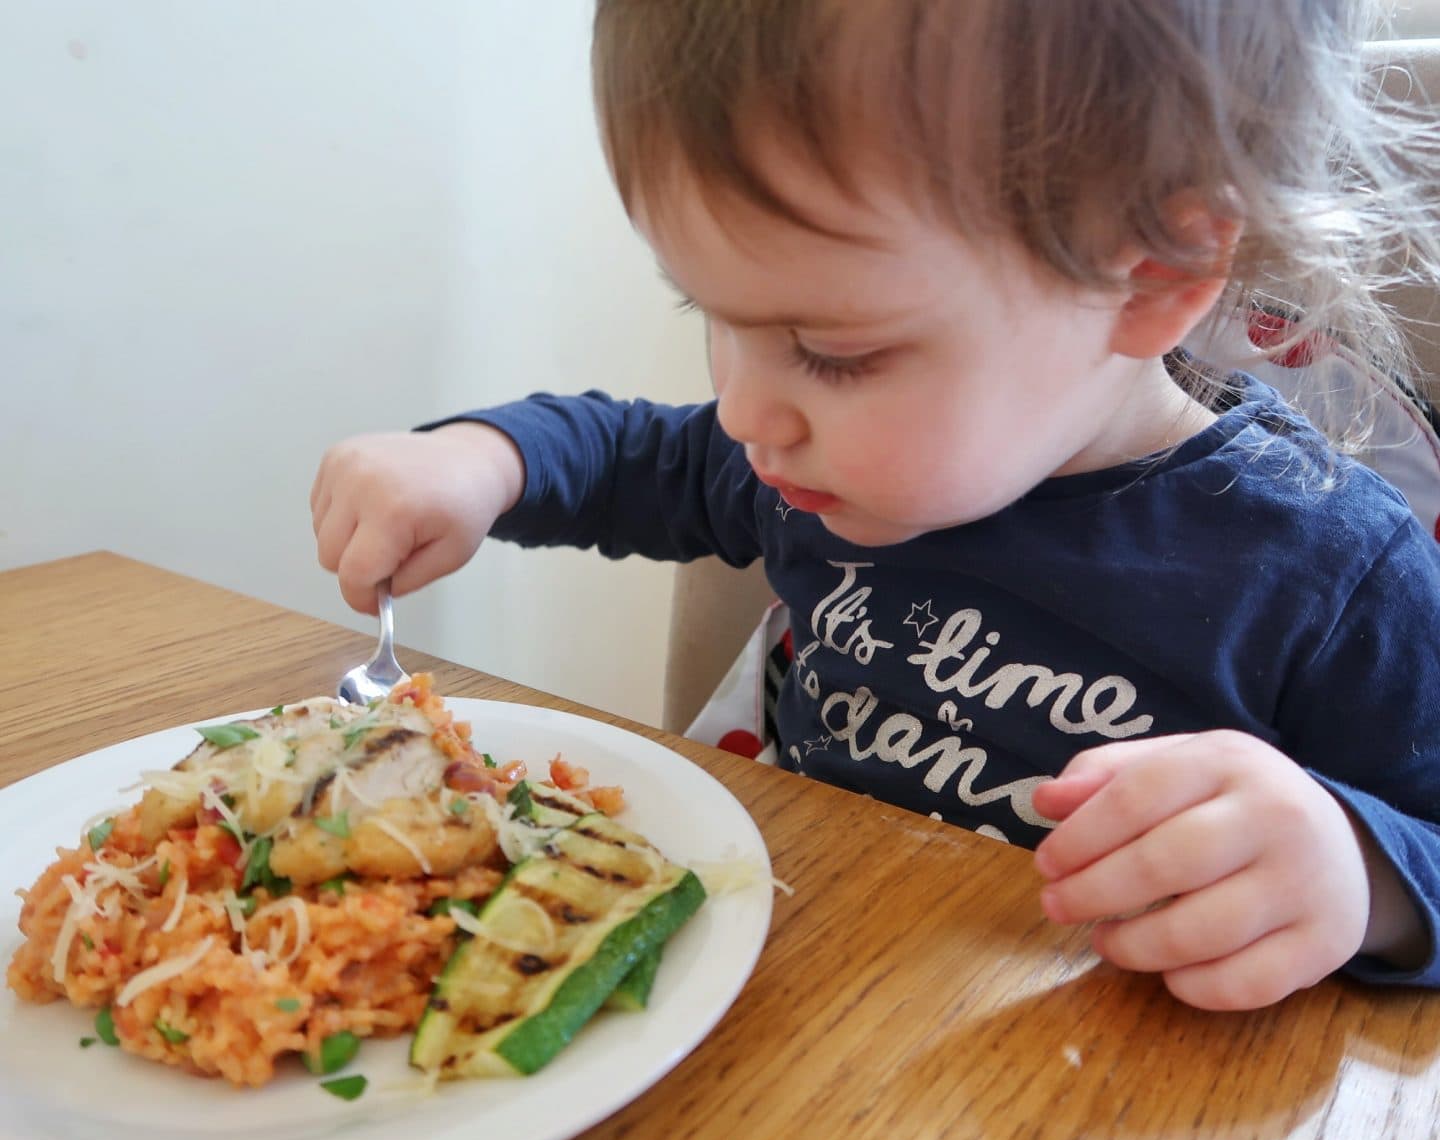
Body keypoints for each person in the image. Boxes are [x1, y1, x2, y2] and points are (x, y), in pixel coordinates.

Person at [310, 0, 1440, 1012]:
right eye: (709, 310)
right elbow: (627, 452)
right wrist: (479, 458)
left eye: (831, 351)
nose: (746, 409)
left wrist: (1362, 873)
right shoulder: (813, 468)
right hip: (805, 1010)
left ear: (1151, 277)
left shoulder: (1331, 572)